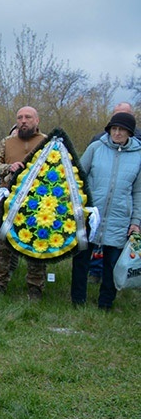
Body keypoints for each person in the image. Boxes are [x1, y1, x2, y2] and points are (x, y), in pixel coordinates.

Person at [71, 112, 141, 309]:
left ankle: (106, 303)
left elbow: (138, 192)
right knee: (81, 259)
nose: (117, 133)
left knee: (112, 263)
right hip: (91, 215)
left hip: (120, 218)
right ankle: (77, 300)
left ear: (130, 133)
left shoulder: (138, 156)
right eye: (114, 129)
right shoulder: (95, 148)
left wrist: (136, 221)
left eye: (122, 130)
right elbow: (77, 177)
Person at [0, 107, 47, 298]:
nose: (23, 121)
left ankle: (35, 286)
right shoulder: (7, 142)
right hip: (8, 201)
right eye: (20, 117)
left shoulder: (47, 142)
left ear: (37, 120)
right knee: (0, 245)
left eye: (28, 117)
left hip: (37, 203)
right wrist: (8, 167)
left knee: (36, 244)